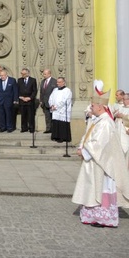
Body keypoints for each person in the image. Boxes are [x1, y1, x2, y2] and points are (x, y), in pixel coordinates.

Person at [72, 85, 129, 227]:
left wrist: (84, 150)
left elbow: (99, 143)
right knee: (93, 187)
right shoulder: (99, 120)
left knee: (101, 188)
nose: (90, 108)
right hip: (95, 160)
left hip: (102, 163)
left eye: (92, 106)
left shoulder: (105, 122)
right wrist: (81, 146)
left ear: (100, 107)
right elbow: (89, 136)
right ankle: (93, 216)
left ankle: (103, 218)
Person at [48, 77, 72, 143]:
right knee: (55, 123)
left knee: (62, 124)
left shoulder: (67, 90)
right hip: (55, 110)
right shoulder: (55, 90)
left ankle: (63, 137)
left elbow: (65, 100)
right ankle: (55, 136)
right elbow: (51, 98)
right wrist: (52, 105)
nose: (57, 83)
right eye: (57, 82)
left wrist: (56, 106)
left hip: (63, 110)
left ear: (63, 82)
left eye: (59, 82)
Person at [17, 68, 37, 133]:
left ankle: (31, 128)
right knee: (23, 115)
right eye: (22, 73)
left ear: (28, 73)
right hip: (22, 101)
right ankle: (24, 128)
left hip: (30, 101)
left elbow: (34, 91)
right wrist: (21, 97)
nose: (22, 75)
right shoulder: (19, 80)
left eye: (24, 74)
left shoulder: (33, 80)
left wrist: (30, 98)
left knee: (30, 115)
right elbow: (18, 90)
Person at [113, 93, 129, 164]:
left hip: (126, 134)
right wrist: (116, 114)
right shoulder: (121, 107)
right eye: (123, 99)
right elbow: (114, 114)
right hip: (118, 132)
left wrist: (123, 116)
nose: (124, 101)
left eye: (125, 99)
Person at [40, 69, 58, 133]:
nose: (43, 75)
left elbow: (56, 92)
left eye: (45, 74)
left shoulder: (54, 81)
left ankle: (54, 129)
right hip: (45, 102)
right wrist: (41, 100)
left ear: (49, 74)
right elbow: (41, 92)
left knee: (53, 116)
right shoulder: (43, 81)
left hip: (52, 103)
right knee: (47, 117)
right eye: (43, 74)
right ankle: (48, 129)